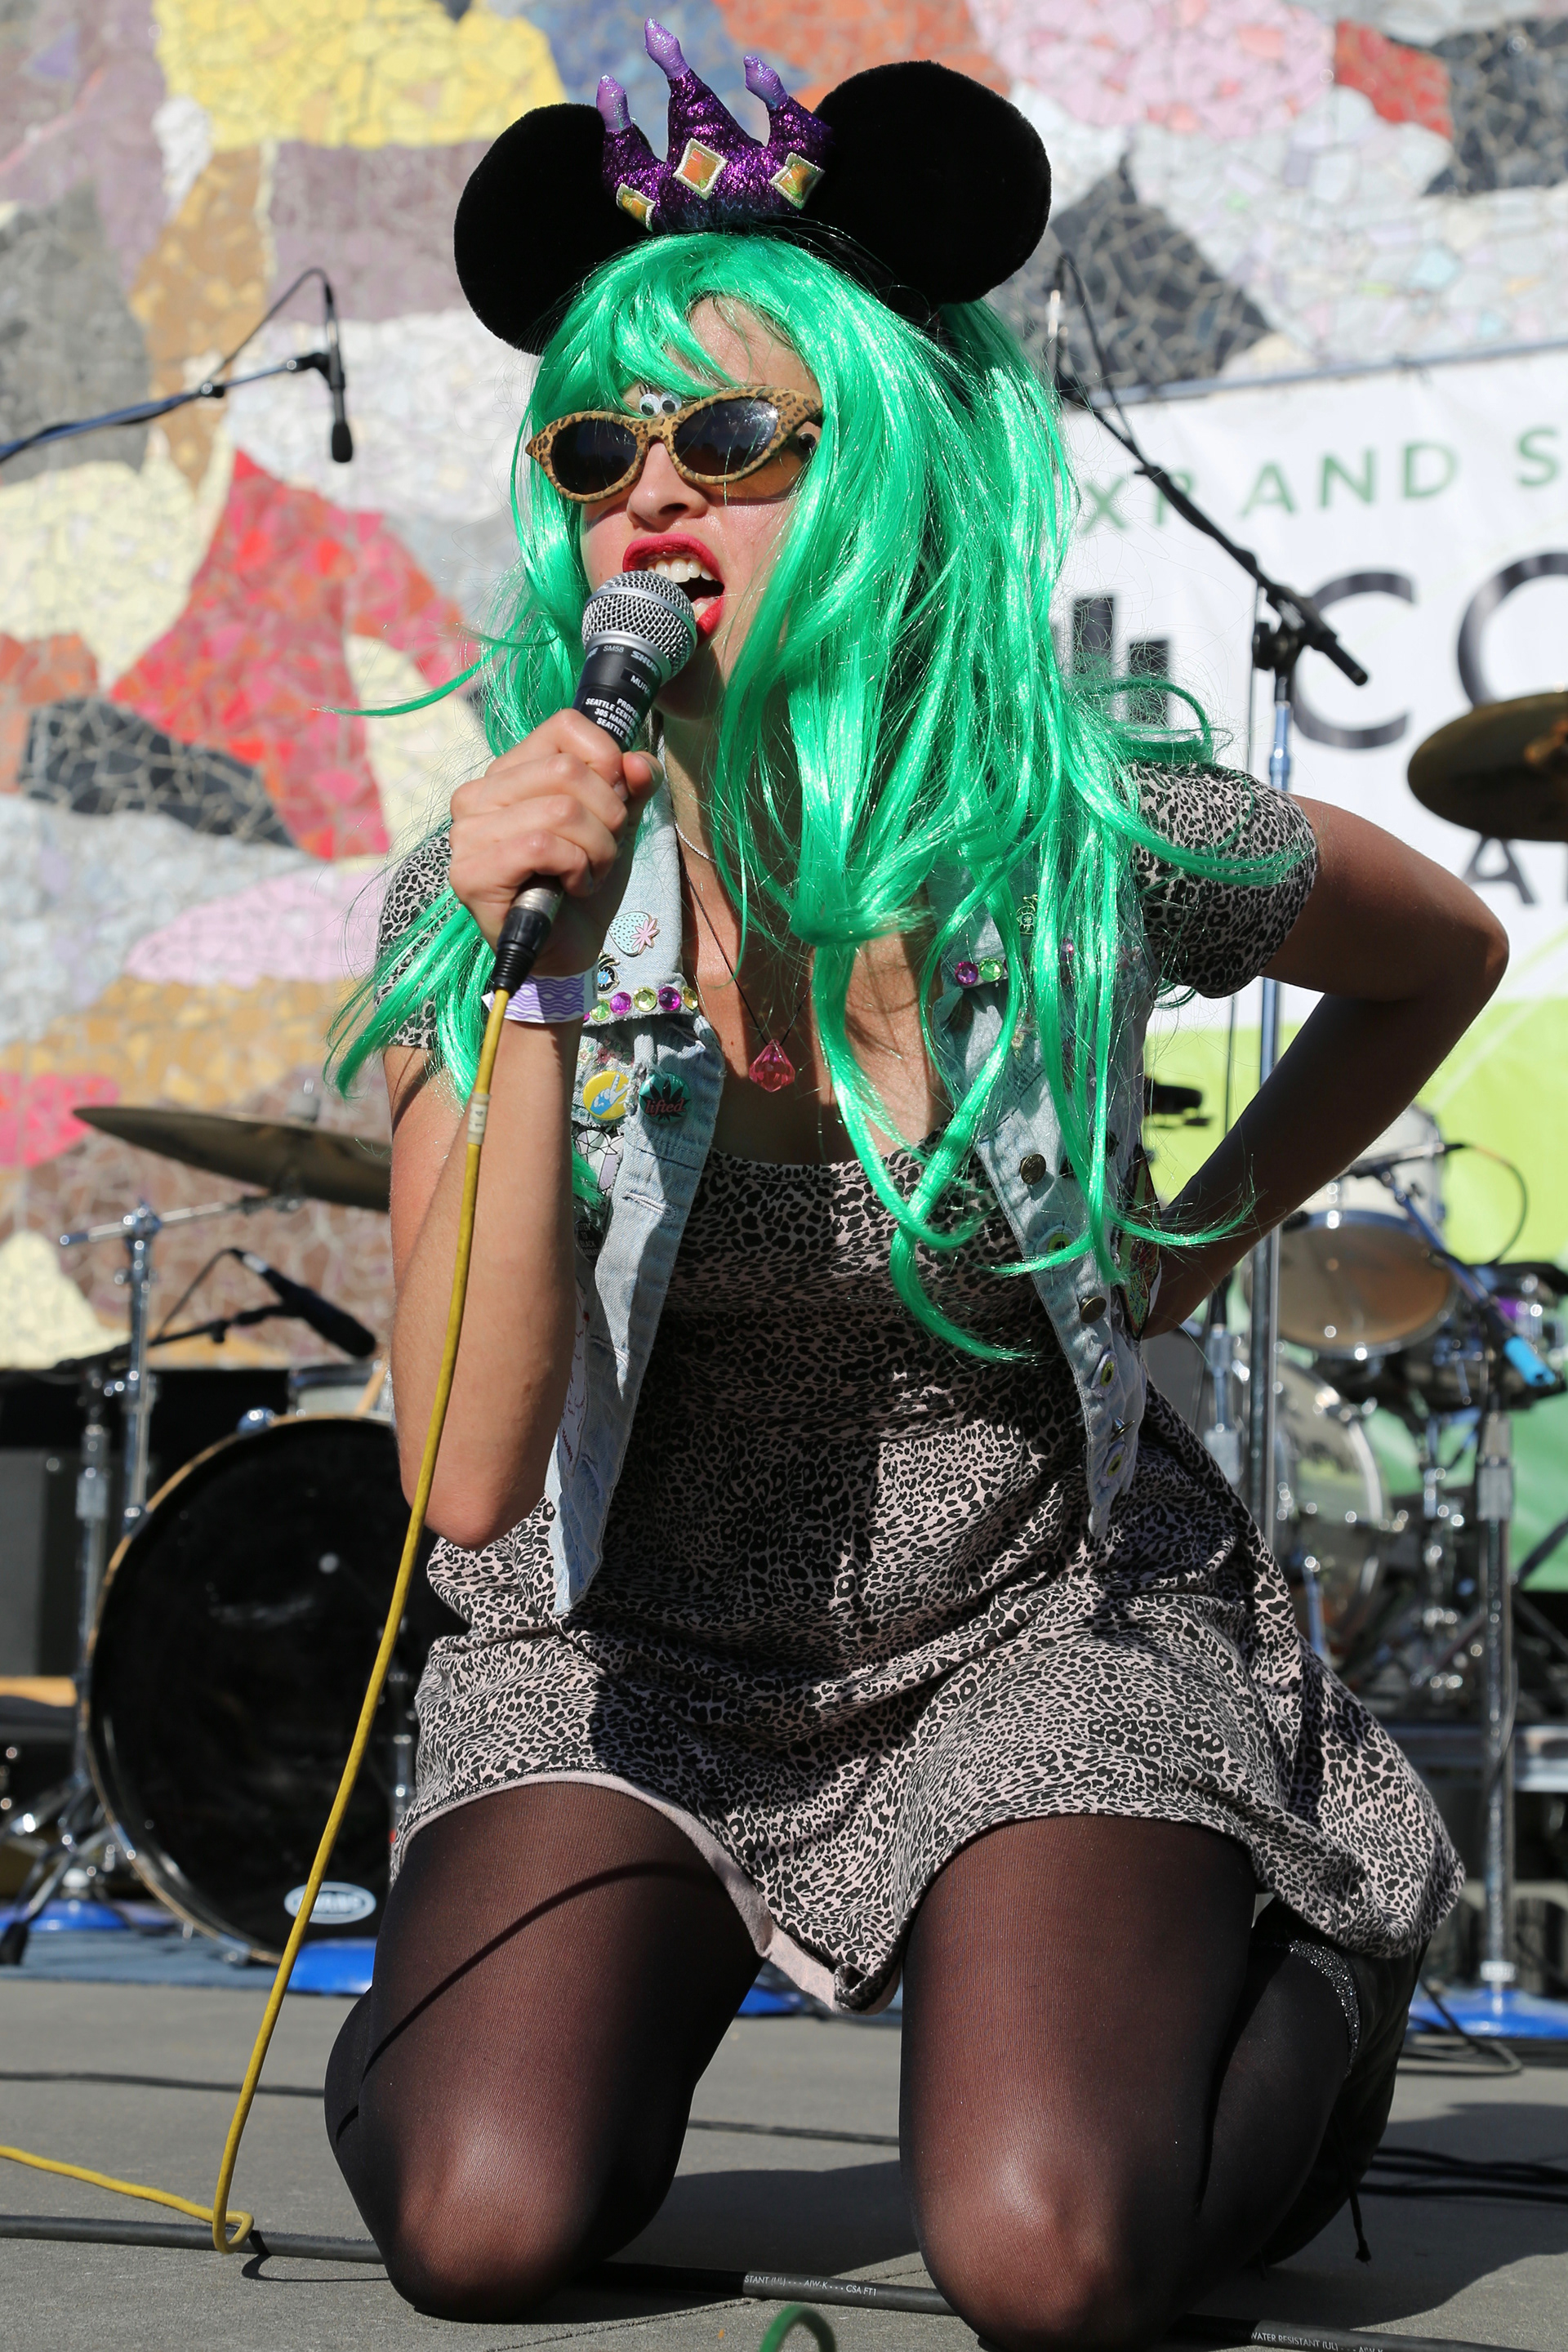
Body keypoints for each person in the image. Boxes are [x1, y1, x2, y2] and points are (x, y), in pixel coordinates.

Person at [323, 38, 1500, 2345]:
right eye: (599, 452)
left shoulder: (1085, 837)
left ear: (888, 470)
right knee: (482, 2222)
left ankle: (1307, 1951)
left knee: (1051, 2259)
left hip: (1035, 1617)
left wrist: (1214, 1219)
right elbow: (468, 1489)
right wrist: (524, 990)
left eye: (733, 440)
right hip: (629, 1659)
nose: (654, 501)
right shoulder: (493, 893)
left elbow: (1443, 953)